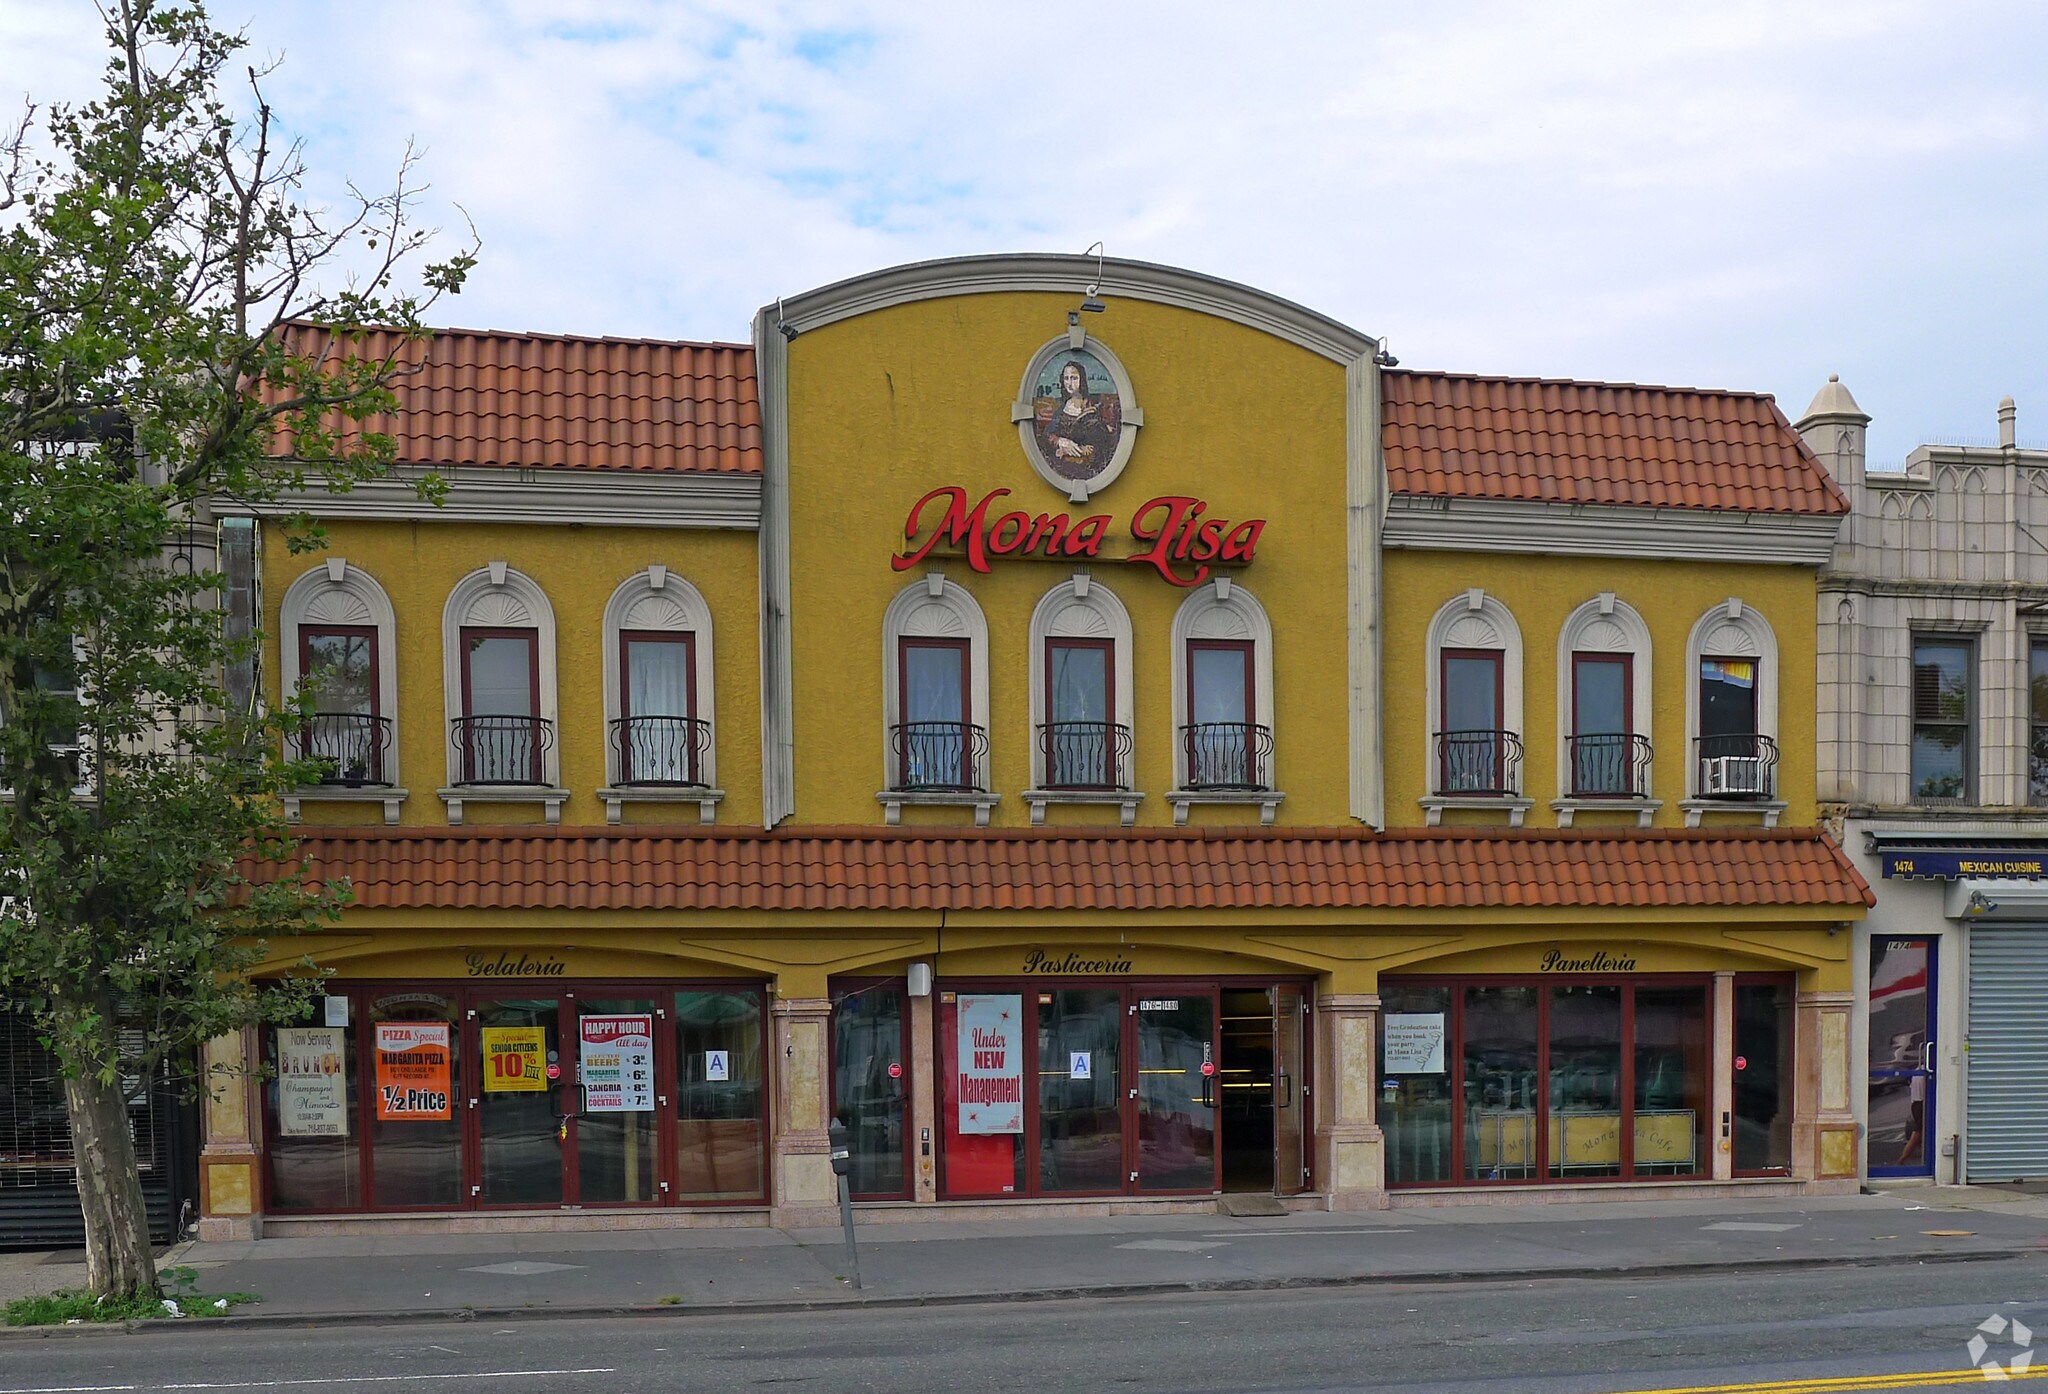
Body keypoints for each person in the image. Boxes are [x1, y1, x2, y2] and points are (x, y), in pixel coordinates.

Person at [1037, 358, 1119, 479]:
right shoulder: (1061, 409)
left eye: (1074, 378)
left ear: (1082, 380)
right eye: (1066, 378)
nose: (1070, 383)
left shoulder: (1091, 409)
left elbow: (1099, 444)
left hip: (1086, 467)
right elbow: (1048, 435)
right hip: (1062, 467)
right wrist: (1060, 441)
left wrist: (1072, 450)